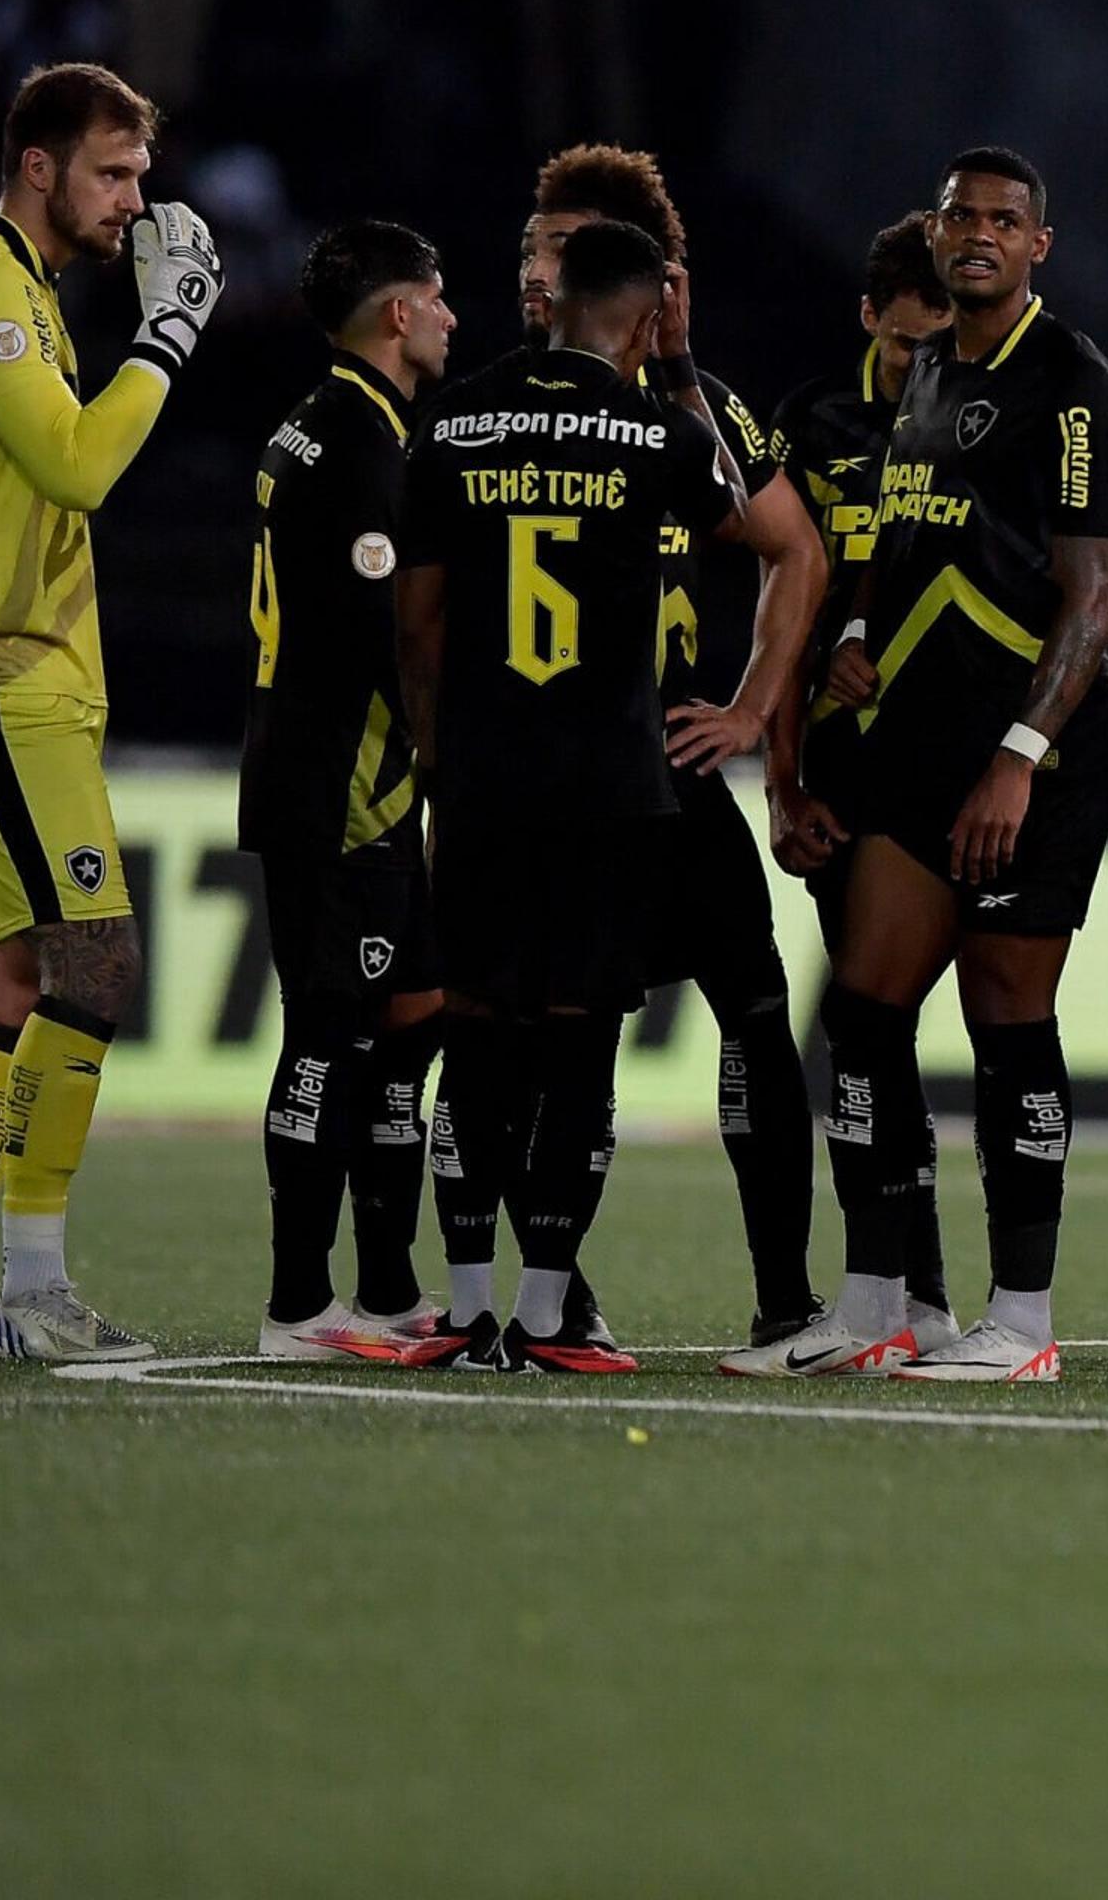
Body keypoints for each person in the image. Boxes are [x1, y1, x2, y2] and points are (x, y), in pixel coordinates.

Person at [747, 148, 1108, 1383]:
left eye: (1003, 220)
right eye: (960, 216)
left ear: (1039, 245)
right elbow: (895, 539)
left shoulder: (1072, 385)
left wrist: (1021, 757)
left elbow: (1094, 600)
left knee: (1007, 1015)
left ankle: (1022, 1323)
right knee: (862, 1012)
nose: (977, 235)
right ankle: (878, 1312)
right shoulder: (924, 378)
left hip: (1036, 755)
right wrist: (856, 632)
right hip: (917, 747)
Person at [0, 61, 219, 1362]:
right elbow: (75, 465)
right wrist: (171, 334)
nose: (137, 204)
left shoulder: (9, 290)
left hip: (2, 678)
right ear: (38, 167)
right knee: (96, 964)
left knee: (8, 975)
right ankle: (27, 1282)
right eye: (115, 174)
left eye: (142, 175)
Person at [395, 218, 764, 1373]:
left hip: (486, 777)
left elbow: (417, 612)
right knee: (577, 1043)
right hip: (612, 782)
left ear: (552, 299)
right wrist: (749, 711)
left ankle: (460, 1307)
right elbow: (776, 533)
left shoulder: (453, 418)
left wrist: (433, 753)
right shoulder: (654, 427)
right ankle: (552, 1313)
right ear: (648, 315)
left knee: (475, 1033)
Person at [514, 147, 826, 1349]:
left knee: (752, 1008)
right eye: (535, 249)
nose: (542, 272)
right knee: (543, 1033)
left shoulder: (695, 408)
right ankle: (545, 1291)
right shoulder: (487, 402)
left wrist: (750, 709)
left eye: (568, 249)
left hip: (668, 764)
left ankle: (785, 1299)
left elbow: (793, 545)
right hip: (545, 778)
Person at [238, 221, 462, 1364]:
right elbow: (386, 638)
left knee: (414, 1014)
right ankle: (296, 1304)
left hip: (329, 770)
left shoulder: (314, 422)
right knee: (328, 1030)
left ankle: (384, 1284)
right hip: (345, 787)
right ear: (396, 314)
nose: (451, 318)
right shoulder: (366, 442)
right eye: (437, 299)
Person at [766, 212, 961, 1332]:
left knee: (874, 1022)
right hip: (843, 774)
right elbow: (782, 617)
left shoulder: (986, 424)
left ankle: (903, 1291)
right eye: (899, 348)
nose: (914, 370)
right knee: (873, 1031)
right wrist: (785, 780)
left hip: (957, 768)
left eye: (933, 350)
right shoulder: (815, 426)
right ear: (867, 320)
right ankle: (909, 1290)